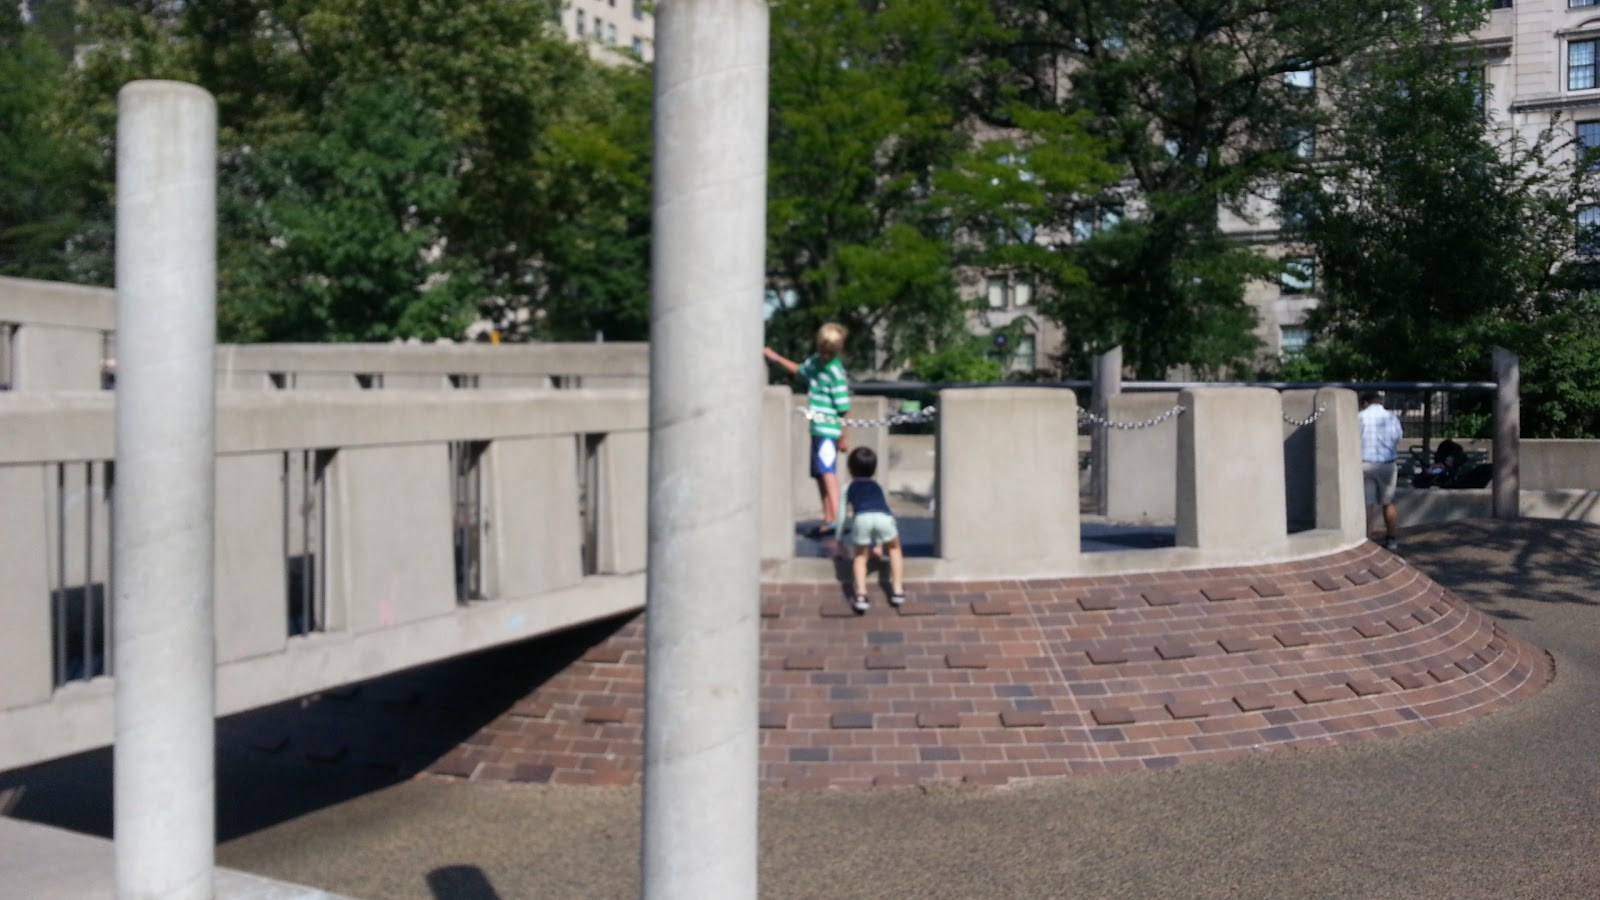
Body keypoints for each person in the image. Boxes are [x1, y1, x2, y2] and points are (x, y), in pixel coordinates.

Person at [764, 323, 851, 537]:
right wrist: (776, 358)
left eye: (829, 353)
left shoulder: (835, 372)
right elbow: (801, 371)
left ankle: (839, 518)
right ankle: (829, 518)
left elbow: (844, 408)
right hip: (817, 429)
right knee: (820, 474)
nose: (824, 356)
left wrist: (843, 436)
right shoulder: (815, 361)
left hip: (829, 430)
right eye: (822, 350)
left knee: (828, 473)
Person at [832, 446, 906, 613]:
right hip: (884, 519)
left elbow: (842, 515)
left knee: (860, 557)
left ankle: (861, 595)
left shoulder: (848, 487)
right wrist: (879, 545)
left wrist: (838, 541)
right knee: (895, 549)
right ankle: (897, 590)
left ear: (850, 469)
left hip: (861, 518)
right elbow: (882, 509)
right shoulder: (877, 486)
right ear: (874, 469)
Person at [1358, 391, 1404, 550]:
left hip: (1365, 464)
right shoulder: (1391, 417)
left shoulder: (1360, 417)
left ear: (1364, 403)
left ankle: (1366, 541)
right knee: (1388, 503)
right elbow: (1398, 437)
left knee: (1367, 504)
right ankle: (1391, 538)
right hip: (1387, 465)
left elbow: (1353, 437)